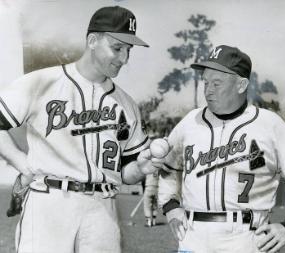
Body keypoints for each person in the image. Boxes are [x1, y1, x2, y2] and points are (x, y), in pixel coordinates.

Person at [0, 6, 163, 253]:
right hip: (50, 202)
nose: (124, 59)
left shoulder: (126, 104)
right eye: (117, 48)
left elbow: (125, 172)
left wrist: (140, 168)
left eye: (128, 51)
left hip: (103, 209)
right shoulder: (42, 82)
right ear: (92, 40)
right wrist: (22, 163)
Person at [158, 45, 285, 253]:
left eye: (217, 83)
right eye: (206, 82)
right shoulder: (190, 122)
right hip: (193, 237)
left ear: (241, 85)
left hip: (246, 237)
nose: (208, 90)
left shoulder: (269, 124)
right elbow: (167, 168)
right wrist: (171, 207)